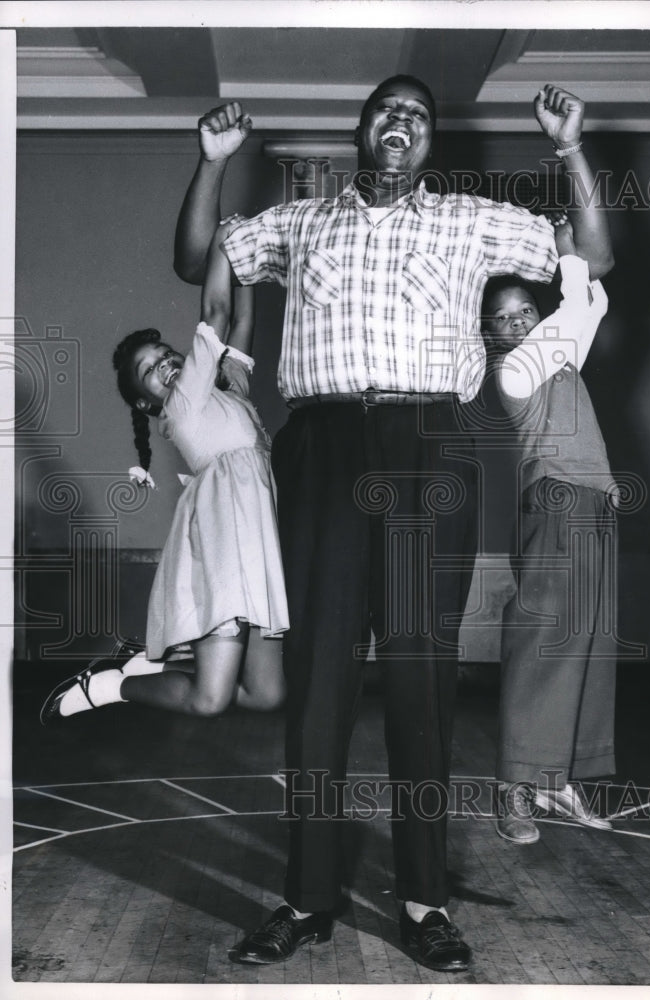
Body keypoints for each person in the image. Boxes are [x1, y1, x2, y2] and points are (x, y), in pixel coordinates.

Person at [173, 77, 613, 972]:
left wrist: (570, 150)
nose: (401, 121)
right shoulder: (301, 220)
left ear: (431, 141)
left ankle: (424, 902)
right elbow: (196, 264)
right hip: (325, 447)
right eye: (386, 110)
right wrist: (211, 166)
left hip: (427, 449)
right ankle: (305, 898)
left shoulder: (470, 220)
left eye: (419, 113)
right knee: (319, 681)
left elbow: (594, 253)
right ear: (362, 128)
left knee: (422, 681)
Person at [41, 218, 288, 723]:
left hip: (256, 547)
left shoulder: (225, 391)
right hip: (224, 549)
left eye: (167, 354)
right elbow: (217, 311)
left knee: (267, 695)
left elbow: (240, 325)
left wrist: (241, 259)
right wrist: (222, 241)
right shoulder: (182, 406)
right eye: (151, 370)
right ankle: (109, 686)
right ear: (148, 403)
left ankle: (148, 666)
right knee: (209, 700)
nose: (167, 364)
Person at [479, 215, 617, 845]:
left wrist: (574, 263)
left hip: (594, 504)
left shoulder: (559, 357)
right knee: (542, 650)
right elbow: (575, 299)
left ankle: (554, 778)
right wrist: (568, 254)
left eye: (521, 313)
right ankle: (513, 785)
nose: (512, 326)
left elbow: (587, 300)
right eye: (500, 320)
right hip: (557, 503)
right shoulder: (515, 372)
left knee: (587, 646)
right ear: (488, 335)